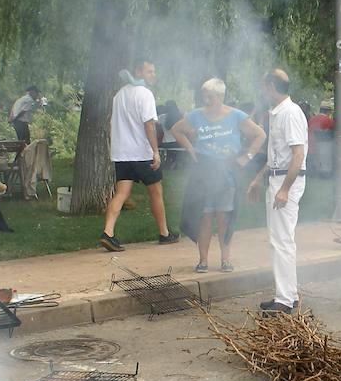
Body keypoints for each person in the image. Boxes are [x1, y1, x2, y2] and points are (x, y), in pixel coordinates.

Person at [171, 77, 266, 271]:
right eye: (204, 96)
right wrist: (190, 149)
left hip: (227, 172)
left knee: (224, 217)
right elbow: (176, 130)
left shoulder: (236, 116)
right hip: (204, 172)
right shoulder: (196, 115)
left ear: (221, 96)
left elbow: (260, 135)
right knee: (204, 217)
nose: (206, 100)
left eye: (211, 96)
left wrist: (245, 157)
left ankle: (225, 260)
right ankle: (203, 260)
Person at [99, 60, 178, 251]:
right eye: (149, 71)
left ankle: (107, 233)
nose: (153, 75)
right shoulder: (145, 94)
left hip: (122, 153)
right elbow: (149, 125)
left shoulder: (119, 95)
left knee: (121, 194)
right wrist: (155, 152)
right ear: (138, 72)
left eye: (154, 71)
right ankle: (164, 233)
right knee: (156, 192)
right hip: (142, 153)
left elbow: (113, 122)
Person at [246, 68, 306, 314]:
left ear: (271, 85)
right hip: (277, 179)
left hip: (285, 182)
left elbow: (298, 154)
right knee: (279, 239)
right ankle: (287, 295)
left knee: (282, 240)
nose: (262, 91)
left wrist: (284, 189)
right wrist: (259, 179)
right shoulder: (278, 113)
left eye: (264, 86)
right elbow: (276, 156)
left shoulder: (290, 113)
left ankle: (285, 299)